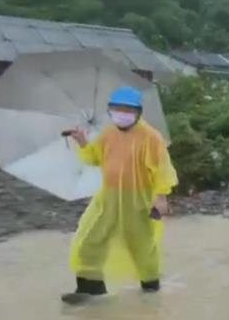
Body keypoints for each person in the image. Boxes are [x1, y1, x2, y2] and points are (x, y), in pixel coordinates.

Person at [63, 86, 178, 305]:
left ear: (138, 112)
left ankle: (151, 292)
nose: (121, 113)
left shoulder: (151, 137)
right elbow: (95, 159)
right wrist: (83, 142)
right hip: (108, 199)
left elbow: (163, 169)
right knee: (89, 239)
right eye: (116, 109)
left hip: (138, 201)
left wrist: (161, 197)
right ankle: (89, 289)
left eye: (127, 109)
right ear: (109, 110)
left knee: (142, 246)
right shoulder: (108, 134)